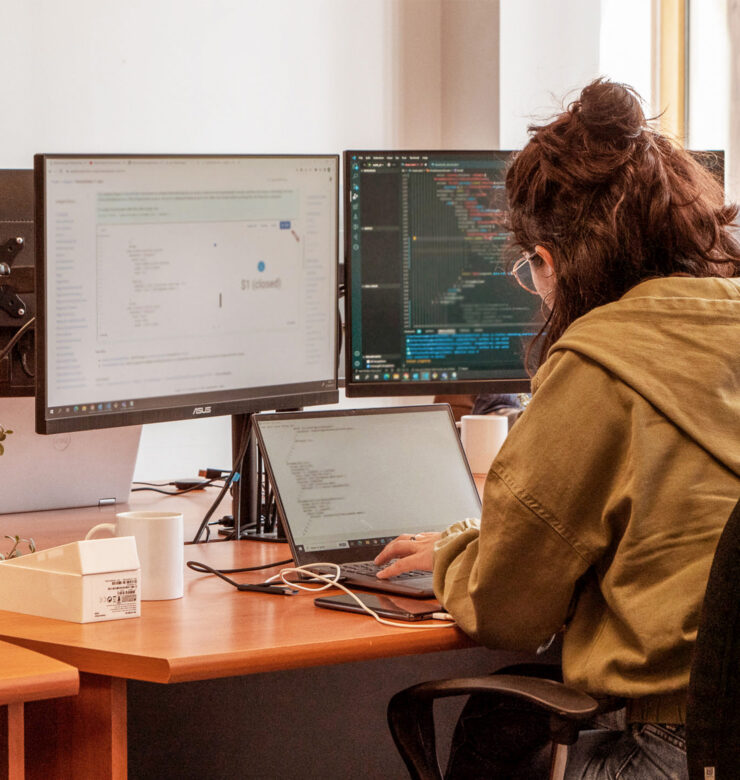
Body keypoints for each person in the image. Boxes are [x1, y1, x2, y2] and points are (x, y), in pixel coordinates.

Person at [375, 78, 740, 778]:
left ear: (549, 261)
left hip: (678, 753)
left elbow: (506, 608)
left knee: (498, 735)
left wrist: (456, 549)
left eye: (528, 270)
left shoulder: (599, 364)